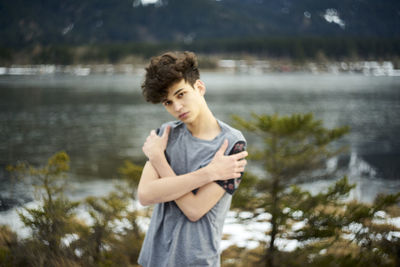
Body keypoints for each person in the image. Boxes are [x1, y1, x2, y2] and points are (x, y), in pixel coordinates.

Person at [137, 51, 248, 267]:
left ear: (199, 87)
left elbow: (195, 210)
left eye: (181, 94)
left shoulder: (232, 144)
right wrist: (209, 173)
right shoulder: (166, 134)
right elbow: (145, 194)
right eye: (168, 102)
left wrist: (160, 161)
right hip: (155, 257)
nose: (177, 107)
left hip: (196, 260)